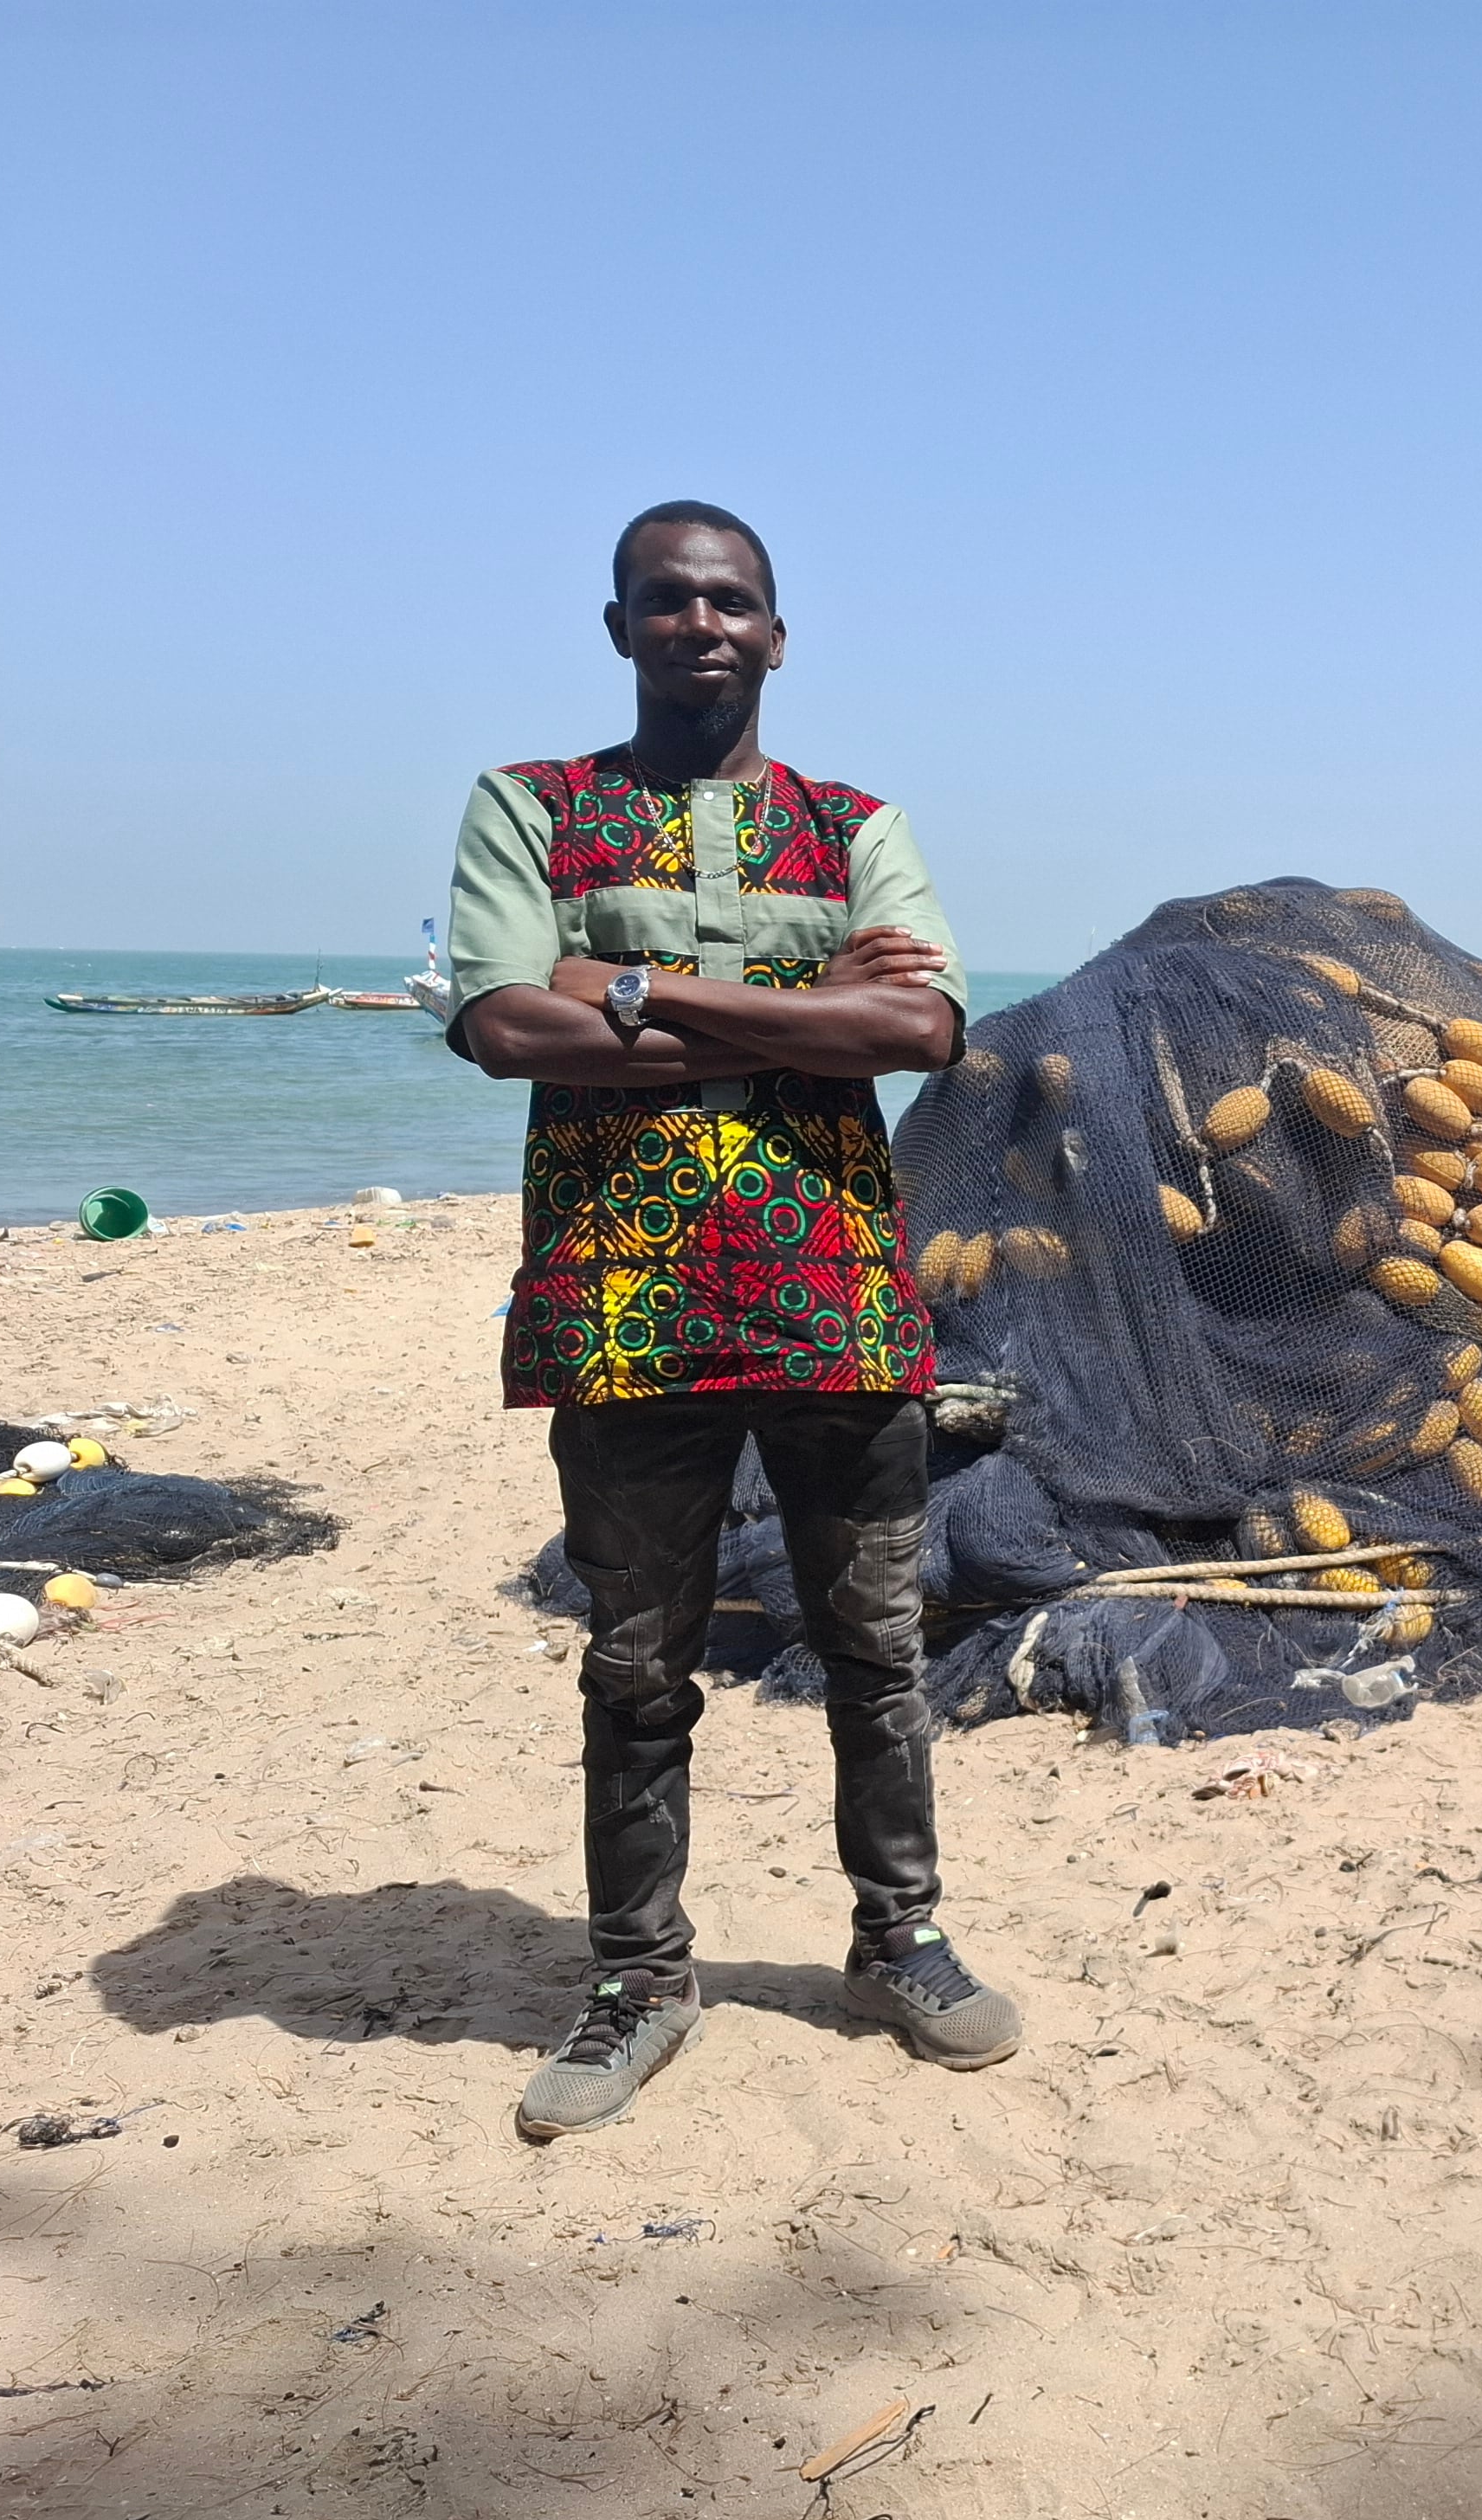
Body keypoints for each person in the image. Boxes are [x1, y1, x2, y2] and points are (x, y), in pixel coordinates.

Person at [444, 498, 1021, 2140]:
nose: (703, 625)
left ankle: (897, 1940)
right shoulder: (532, 807)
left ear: (778, 634)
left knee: (877, 1650)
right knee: (635, 1664)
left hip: (837, 1292)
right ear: (619, 626)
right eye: (669, 601)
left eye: (734, 603)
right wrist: (797, 1018)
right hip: (625, 1301)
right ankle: (639, 1976)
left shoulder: (851, 824)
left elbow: (918, 1030)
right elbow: (499, 1027)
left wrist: (636, 988)